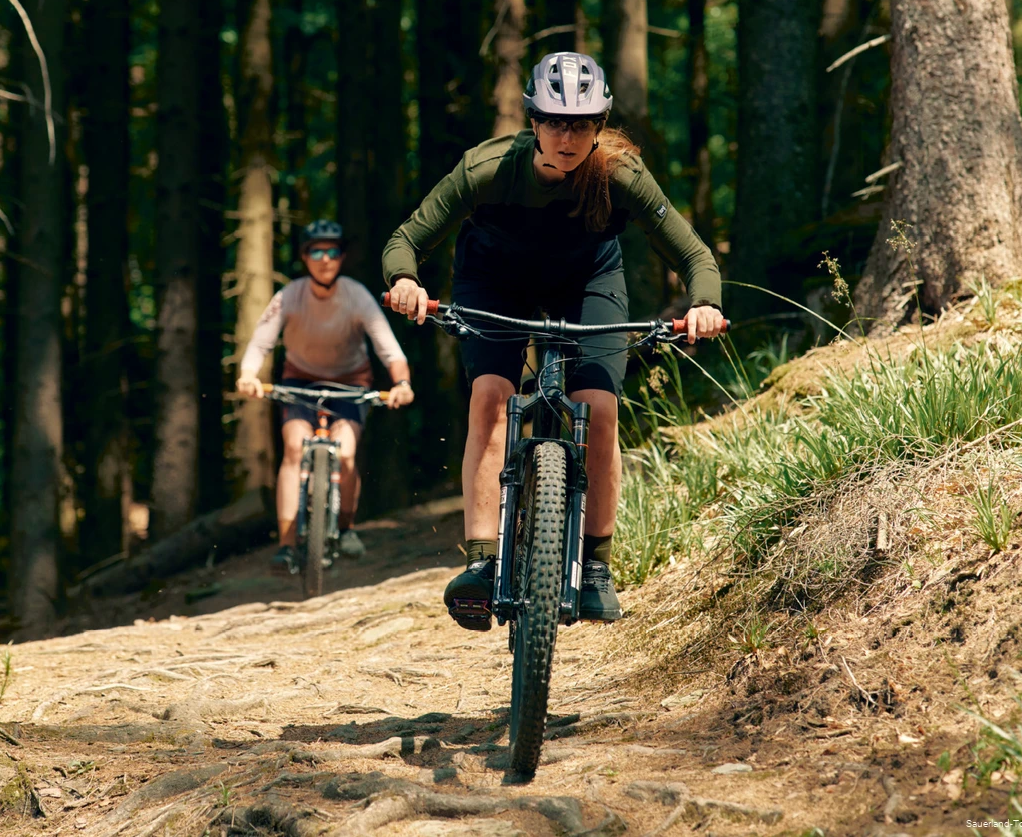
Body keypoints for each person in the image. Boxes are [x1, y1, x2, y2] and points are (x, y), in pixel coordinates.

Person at [383, 52, 726, 629]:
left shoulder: (619, 174)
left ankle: (594, 567)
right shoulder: (486, 169)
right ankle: (482, 564)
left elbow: (693, 253)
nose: (568, 136)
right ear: (533, 121)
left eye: (583, 123)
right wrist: (406, 281)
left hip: (586, 281)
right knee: (491, 396)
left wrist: (706, 304)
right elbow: (405, 239)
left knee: (599, 407)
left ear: (600, 125)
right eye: (555, 121)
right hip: (493, 282)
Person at [238, 220, 415, 573]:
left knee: (346, 452)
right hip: (299, 383)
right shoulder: (289, 295)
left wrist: (402, 384)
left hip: (350, 384)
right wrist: (247, 375)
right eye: (316, 251)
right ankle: (287, 546)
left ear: (341, 256)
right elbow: (260, 341)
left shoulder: (356, 295)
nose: (324, 259)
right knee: (293, 449)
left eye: (331, 251)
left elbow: (388, 349)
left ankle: (346, 528)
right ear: (304, 257)